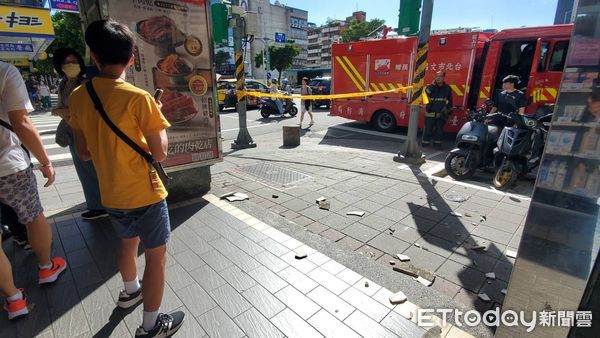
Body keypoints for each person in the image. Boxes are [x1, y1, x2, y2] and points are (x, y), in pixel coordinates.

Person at [69, 20, 184, 337]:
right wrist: (155, 119)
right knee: (156, 258)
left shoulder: (79, 97)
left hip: (112, 195)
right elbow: (159, 153)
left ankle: (129, 291)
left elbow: (84, 152)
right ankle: (151, 326)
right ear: (132, 57)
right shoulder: (139, 99)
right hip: (145, 194)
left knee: (126, 244)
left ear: (94, 56)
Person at [0, 61, 68, 320]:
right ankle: (46, 268)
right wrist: (46, 161)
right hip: (9, 164)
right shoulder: (5, 72)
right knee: (33, 215)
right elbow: (21, 122)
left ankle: (14, 299)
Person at [52, 48, 107, 220]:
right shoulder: (62, 85)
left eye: (74, 62)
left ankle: (101, 205)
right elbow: (62, 109)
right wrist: (64, 111)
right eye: (67, 63)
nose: (71, 65)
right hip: (72, 132)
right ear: (60, 66)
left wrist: (62, 111)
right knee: (83, 171)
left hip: (85, 132)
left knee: (90, 169)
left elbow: (82, 110)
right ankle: (95, 204)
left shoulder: (85, 83)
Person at [423, 71, 453, 147]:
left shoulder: (447, 88)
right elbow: (425, 94)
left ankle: (437, 145)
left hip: (441, 115)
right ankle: (425, 145)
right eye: (436, 76)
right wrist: (432, 86)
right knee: (427, 131)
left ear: (443, 78)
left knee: (439, 131)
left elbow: (450, 101)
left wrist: (449, 110)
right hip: (430, 114)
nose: (438, 78)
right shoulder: (430, 87)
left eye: (440, 76)